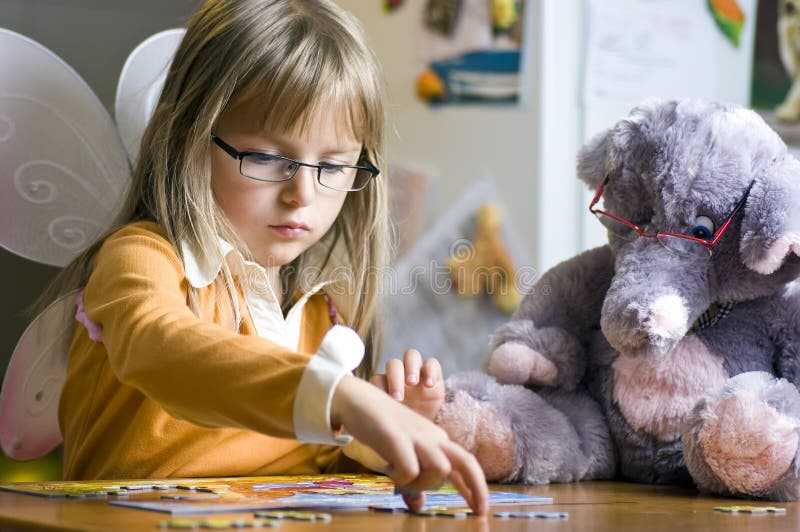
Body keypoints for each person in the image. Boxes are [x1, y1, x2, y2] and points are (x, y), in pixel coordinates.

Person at [49, 0, 487, 515]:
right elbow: (162, 347)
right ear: (185, 137)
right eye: (265, 157)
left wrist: (374, 445)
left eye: (334, 164)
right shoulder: (141, 258)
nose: (302, 192)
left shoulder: (325, 313)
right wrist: (339, 395)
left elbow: (315, 485)